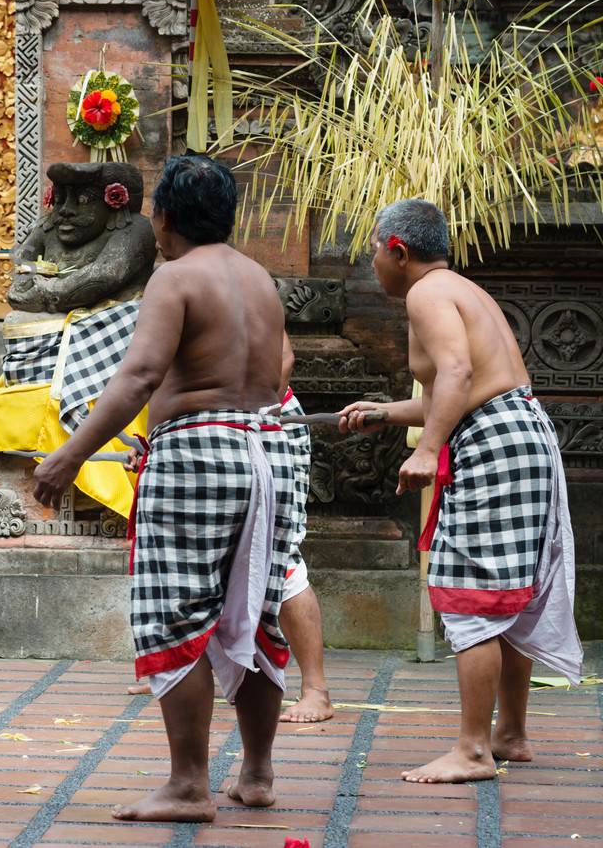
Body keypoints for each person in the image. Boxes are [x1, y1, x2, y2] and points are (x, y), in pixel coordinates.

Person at [33, 156, 295, 824]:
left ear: (165, 218)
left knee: (176, 611)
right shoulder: (260, 278)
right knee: (257, 606)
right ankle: (258, 772)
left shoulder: (175, 277)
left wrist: (68, 455)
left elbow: (139, 375)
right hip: (268, 451)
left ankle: (187, 785)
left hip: (198, 454)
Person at [338, 198, 581, 784]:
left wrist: (425, 450)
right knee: (506, 591)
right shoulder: (460, 289)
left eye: (374, 248)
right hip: (519, 432)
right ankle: (511, 734)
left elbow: (457, 376)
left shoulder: (426, 293)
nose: (372, 260)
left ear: (397, 249)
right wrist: (387, 413)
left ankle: (473, 750)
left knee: (469, 589)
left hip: (494, 443)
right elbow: (461, 386)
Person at [278, 364, 335, 725]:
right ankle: (180, 664)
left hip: (263, 419)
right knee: (201, 551)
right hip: (195, 424)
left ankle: (316, 689)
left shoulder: (251, 304)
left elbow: (281, 357)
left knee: (279, 553)